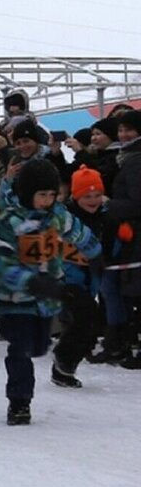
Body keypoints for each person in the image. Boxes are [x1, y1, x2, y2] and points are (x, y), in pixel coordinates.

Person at [0, 159, 101, 424]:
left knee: (39, 346)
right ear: (28, 193)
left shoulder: (57, 215)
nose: (47, 200)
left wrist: (95, 253)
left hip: (46, 298)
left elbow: (78, 231)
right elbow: (1, 264)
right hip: (15, 299)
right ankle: (19, 402)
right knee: (21, 349)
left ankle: (42, 367)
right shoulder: (10, 222)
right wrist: (30, 281)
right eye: (42, 195)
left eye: (52, 195)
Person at [52, 166, 113, 386]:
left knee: (88, 324)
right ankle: (62, 360)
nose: (93, 200)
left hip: (91, 279)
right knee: (85, 316)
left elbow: (111, 245)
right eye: (87, 196)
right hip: (66, 277)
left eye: (97, 195)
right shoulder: (65, 217)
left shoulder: (105, 217)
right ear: (76, 196)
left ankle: (66, 367)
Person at [105, 109, 141, 368]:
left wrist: (110, 204)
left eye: (129, 130)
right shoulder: (127, 158)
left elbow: (137, 203)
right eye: (121, 130)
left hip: (135, 235)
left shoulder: (135, 161)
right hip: (130, 234)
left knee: (134, 292)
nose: (123, 134)